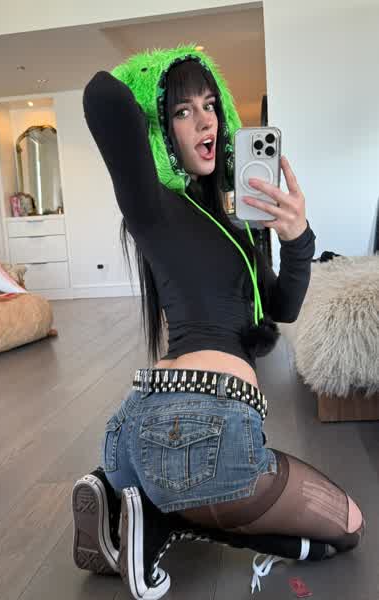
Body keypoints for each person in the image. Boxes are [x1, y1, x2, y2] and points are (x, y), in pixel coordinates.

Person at [72, 46, 366, 598]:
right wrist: (155, 80)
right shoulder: (154, 204)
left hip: (141, 429)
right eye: (182, 112)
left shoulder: (235, 222)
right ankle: (161, 518)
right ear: (162, 132)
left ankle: (129, 494)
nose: (205, 120)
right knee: (348, 526)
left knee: (316, 537)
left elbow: (282, 308)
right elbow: (101, 95)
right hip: (199, 425)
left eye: (211, 105)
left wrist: (297, 237)